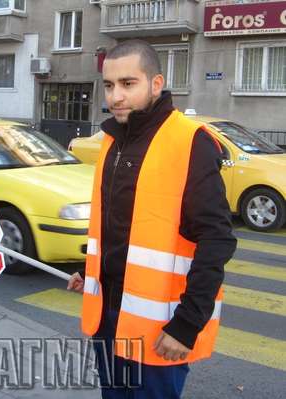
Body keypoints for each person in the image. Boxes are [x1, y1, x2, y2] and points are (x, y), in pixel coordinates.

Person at [67, 40, 237, 398]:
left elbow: (217, 238)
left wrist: (187, 325)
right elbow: (117, 225)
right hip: (110, 318)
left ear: (156, 84)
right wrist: (90, 272)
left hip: (161, 327)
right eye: (110, 85)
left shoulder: (189, 141)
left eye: (128, 84)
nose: (116, 96)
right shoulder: (114, 141)